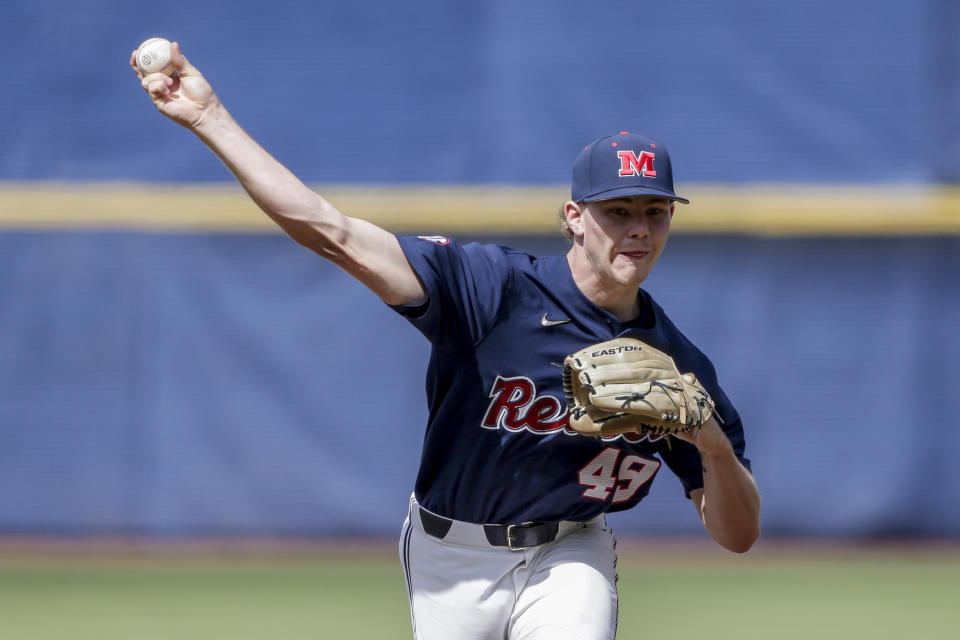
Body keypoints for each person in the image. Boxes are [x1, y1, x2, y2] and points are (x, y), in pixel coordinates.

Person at [132, 42, 761, 640]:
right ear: (574, 217)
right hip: (449, 552)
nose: (639, 231)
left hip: (572, 548)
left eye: (655, 212)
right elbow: (334, 233)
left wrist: (712, 449)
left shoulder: (677, 365)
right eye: (617, 211)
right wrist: (210, 118)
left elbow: (737, 535)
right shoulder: (492, 288)